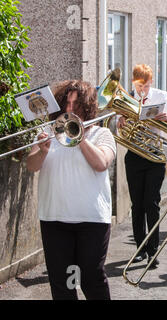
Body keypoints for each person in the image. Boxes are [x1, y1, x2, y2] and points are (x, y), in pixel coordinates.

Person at [26, 80, 117, 300]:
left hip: (91, 220)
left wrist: (80, 137)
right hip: (54, 218)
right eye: (66, 104)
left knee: (91, 278)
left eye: (75, 106)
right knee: (62, 282)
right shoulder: (47, 132)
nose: (69, 110)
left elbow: (101, 163)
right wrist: (42, 151)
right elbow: (32, 165)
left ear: (87, 107)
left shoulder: (101, 135)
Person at [121, 64, 167, 265]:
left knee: (152, 203)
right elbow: (118, 123)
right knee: (137, 204)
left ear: (151, 82)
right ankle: (140, 249)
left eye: (145, 86)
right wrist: (121, 121)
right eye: (139, 86)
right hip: (135, 154)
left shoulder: (161, 96)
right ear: (133, 82)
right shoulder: (127, 98)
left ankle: (153, 250)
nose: (142, 90)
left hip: (155, 154)